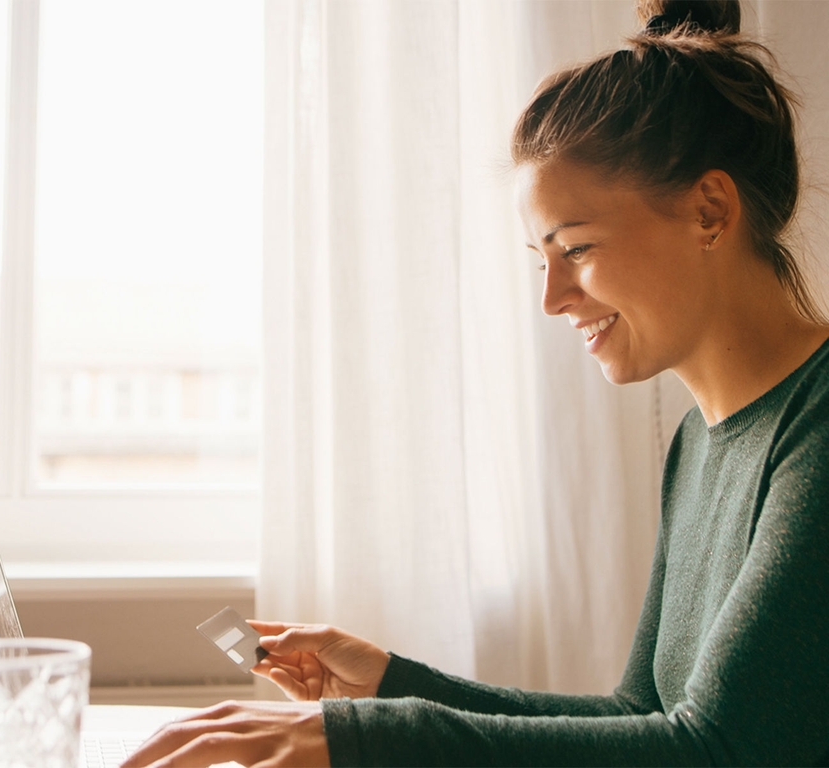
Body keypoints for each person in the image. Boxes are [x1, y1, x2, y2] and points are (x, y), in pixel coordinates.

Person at [123, 0, 829, 764]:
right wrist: (393, 686)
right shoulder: (700, 442)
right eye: (540, 260)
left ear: (710, 210)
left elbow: (718, 751)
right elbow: (641, 716)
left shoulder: (814, 431)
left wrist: (361, 739)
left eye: (578, 248)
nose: (552, 298)